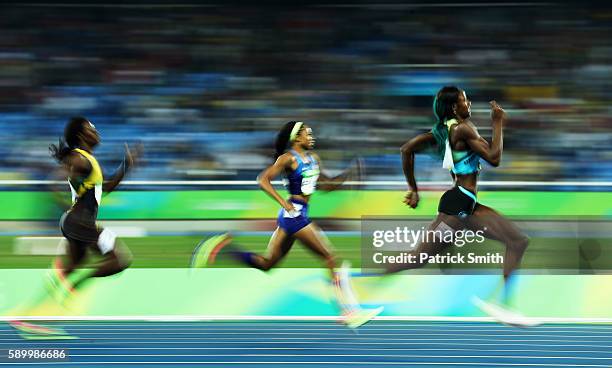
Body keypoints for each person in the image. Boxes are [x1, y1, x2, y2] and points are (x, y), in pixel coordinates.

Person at [192, 121, 382, 328]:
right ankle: (349, 311)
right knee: (331, 259)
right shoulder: (288, 159)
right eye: (308, 134)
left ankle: (221, 247)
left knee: (267, 264)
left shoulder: (313, 159)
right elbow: (262, 180)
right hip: (295, 214)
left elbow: (326, 186)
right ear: (296, 138)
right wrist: (285, 203)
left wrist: (348, 175)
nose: (312, 137)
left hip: (294, 215)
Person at [393, 86, 530, 321]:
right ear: (455, 107)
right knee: (418, 259)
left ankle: (503, 306)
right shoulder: (463, 129)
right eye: (465, 100)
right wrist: (498, 122)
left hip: (464, 203)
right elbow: (494, 158)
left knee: (518, 241)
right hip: (458, 205)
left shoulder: (446, 130)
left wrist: (414, 190)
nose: (470, 104)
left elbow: (407, 149)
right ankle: (354, 281)